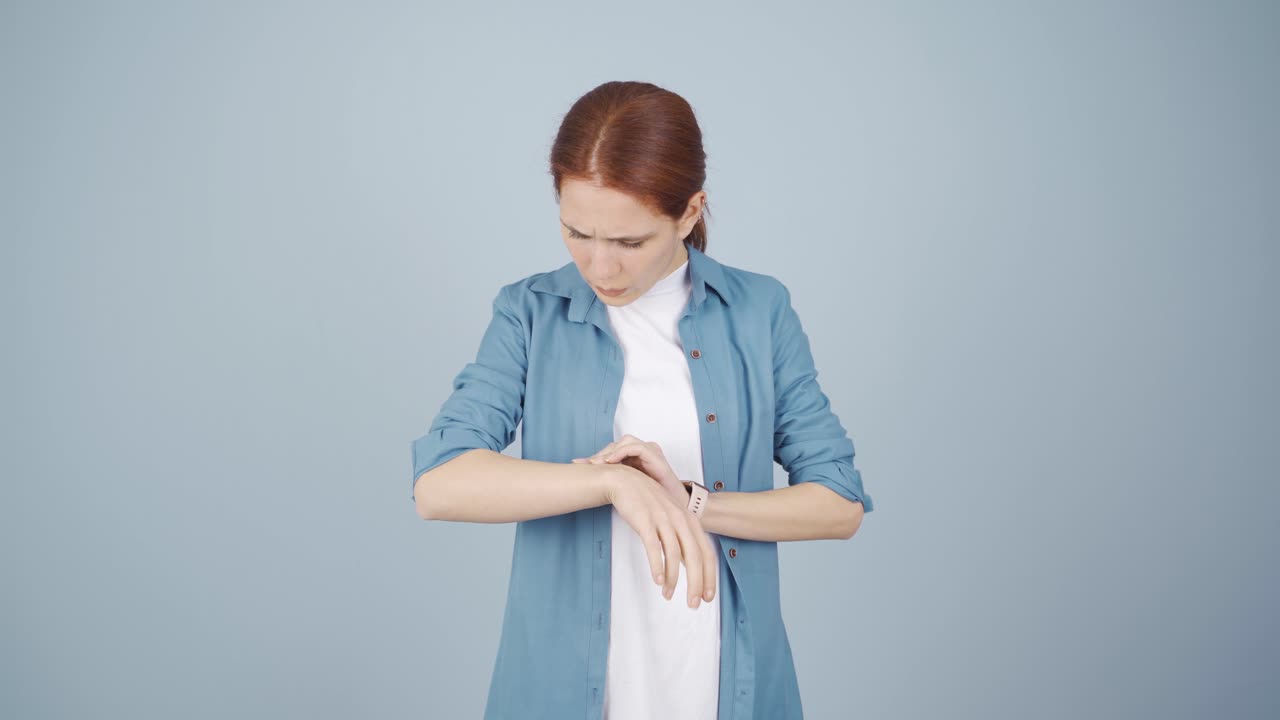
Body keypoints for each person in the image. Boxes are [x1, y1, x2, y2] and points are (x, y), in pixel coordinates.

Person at [410, 80, 875, 720]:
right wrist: (613, 487)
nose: (600, 268)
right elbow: (439, 485)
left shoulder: (759, 310)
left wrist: (690, 501)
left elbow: (838, 504)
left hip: (722, 682)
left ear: (689, 212)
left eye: (630, 242)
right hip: (562, 686)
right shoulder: (529, 313)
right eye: (577, 233)